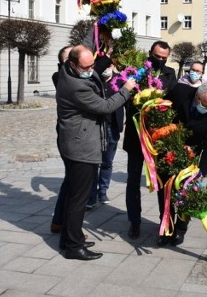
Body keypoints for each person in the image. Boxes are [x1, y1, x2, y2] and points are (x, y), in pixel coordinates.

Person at [56, 45, 135, 260]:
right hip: (81, 147)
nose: (92, 69)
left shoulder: (66, 69)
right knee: (78, 199)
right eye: (87, 66)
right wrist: (126, 89)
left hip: (74, 143)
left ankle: (68, 238)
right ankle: (73, 247)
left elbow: (88, 47)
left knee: (74, 195)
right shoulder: (77, 87)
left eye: (93, 64)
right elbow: (105, 106)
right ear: (72, 63)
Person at [123, 41, 177, 239]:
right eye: (157, 56)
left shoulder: (170, 74)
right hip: (136, 135)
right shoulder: (137, 71)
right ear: (150, 54)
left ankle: (165, 221)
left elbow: (173, 100)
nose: (161, 60)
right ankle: (134, 221)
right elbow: (126, 96)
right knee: (133, 179)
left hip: (158, 136)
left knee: (162, 180)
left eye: (164, 57)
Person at [161, 82, 207, 245]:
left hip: (191, 154)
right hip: (167, 148)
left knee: (185, 191)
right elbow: (160, 108)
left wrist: (200, 174)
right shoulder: (180, 91)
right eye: (206, 105)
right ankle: (166, 228)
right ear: (197, 97)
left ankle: (180, 229)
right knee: (165, 191)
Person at [86, 63, 125, 208]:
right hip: (95, 126)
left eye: (109, 65)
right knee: (93, 162)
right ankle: (91, 195)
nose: (106, 68)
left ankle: (102, 191)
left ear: (113, 65)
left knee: (107, 162)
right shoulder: (92, 79)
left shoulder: (120, 80)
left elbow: (126, 99)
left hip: (112, 126)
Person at [50, 45, 72, 234]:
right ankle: (61, 222)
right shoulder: (60, 77)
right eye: (69, 58)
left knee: (72, 180)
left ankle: (60, 220)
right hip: (68, 137)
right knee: (72, 180)